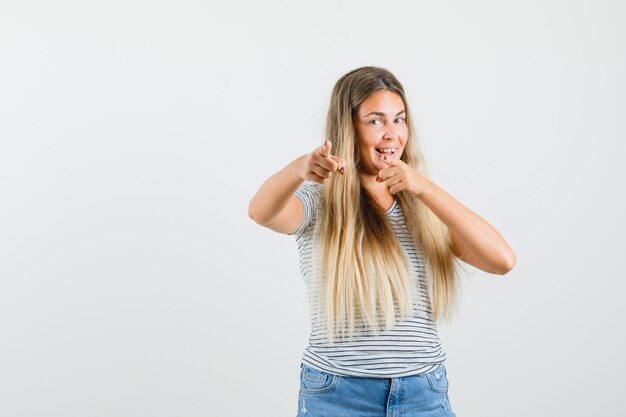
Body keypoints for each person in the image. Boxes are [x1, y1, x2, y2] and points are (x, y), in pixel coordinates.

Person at [248, 66, 516, 417]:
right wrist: (300, 168)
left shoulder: (423, 205)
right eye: (376, 121)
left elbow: (502, 260)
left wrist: (424, 188)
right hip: (338, 395)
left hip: (423, 393)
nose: (392, 134)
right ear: (349, 128)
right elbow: (261, 212)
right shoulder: (321, 198)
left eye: (399, 120)